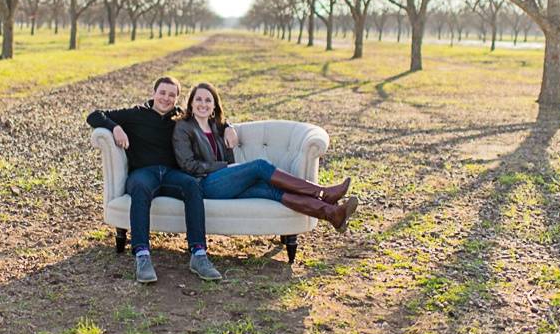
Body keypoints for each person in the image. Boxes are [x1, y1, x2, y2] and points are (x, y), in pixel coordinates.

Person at [87, 76, 236, 284]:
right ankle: (142, 255)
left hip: (171, 174)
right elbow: (94, 116)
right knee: (139, 187)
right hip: (143, 173)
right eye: (162, 93)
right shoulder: (135, 114)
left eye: (172, 95)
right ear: (154, 93)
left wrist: (228, 126)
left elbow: (210, 118)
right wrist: (116, 127)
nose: (166, 98)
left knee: (192, 185)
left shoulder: (180, 117)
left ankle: (199, 254)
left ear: (177, 98)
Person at [172, 82, 358, 230]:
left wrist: (229, 127)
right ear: (191, 103)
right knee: (259, 166)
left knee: (272, 191)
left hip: (227, 183)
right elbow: (188, 165)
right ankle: (323, 193)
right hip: (204, 184)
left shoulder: (215, 125)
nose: (203, 104)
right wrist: (222, 167)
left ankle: (332, 213)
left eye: (208, 100)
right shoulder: (184, 127)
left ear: (214, 106)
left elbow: (224, 123)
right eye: (199, 99)